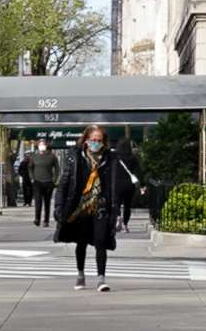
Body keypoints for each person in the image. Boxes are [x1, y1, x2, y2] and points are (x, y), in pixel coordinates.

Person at [54, 124, 142, 291]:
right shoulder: (76, 157)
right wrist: (59, 206)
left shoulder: (110, 159)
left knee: (101, 241)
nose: (95, 143)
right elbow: (64, 184)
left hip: (101, 206)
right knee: (81, 242)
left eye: (99, 140)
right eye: (93, 140)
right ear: (86, 140)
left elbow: (112, 185)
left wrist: (114, 208)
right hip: (80, 206)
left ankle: (101, 279)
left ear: (104, 142)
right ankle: (80, 275)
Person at [27, 143, 58, 226]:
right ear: (38, 146)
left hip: (48, 182)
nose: (42, 146)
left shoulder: (52, 157)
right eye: (40, 144)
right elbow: (30, 167)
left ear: (46, 146)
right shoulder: (34, 157)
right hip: (37, 182)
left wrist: (54, 180)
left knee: (47, 203)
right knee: (38, 202)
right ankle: (37, 219)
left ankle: (46, 221)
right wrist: (32, 178)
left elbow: (57, 168)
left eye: (43, 144)